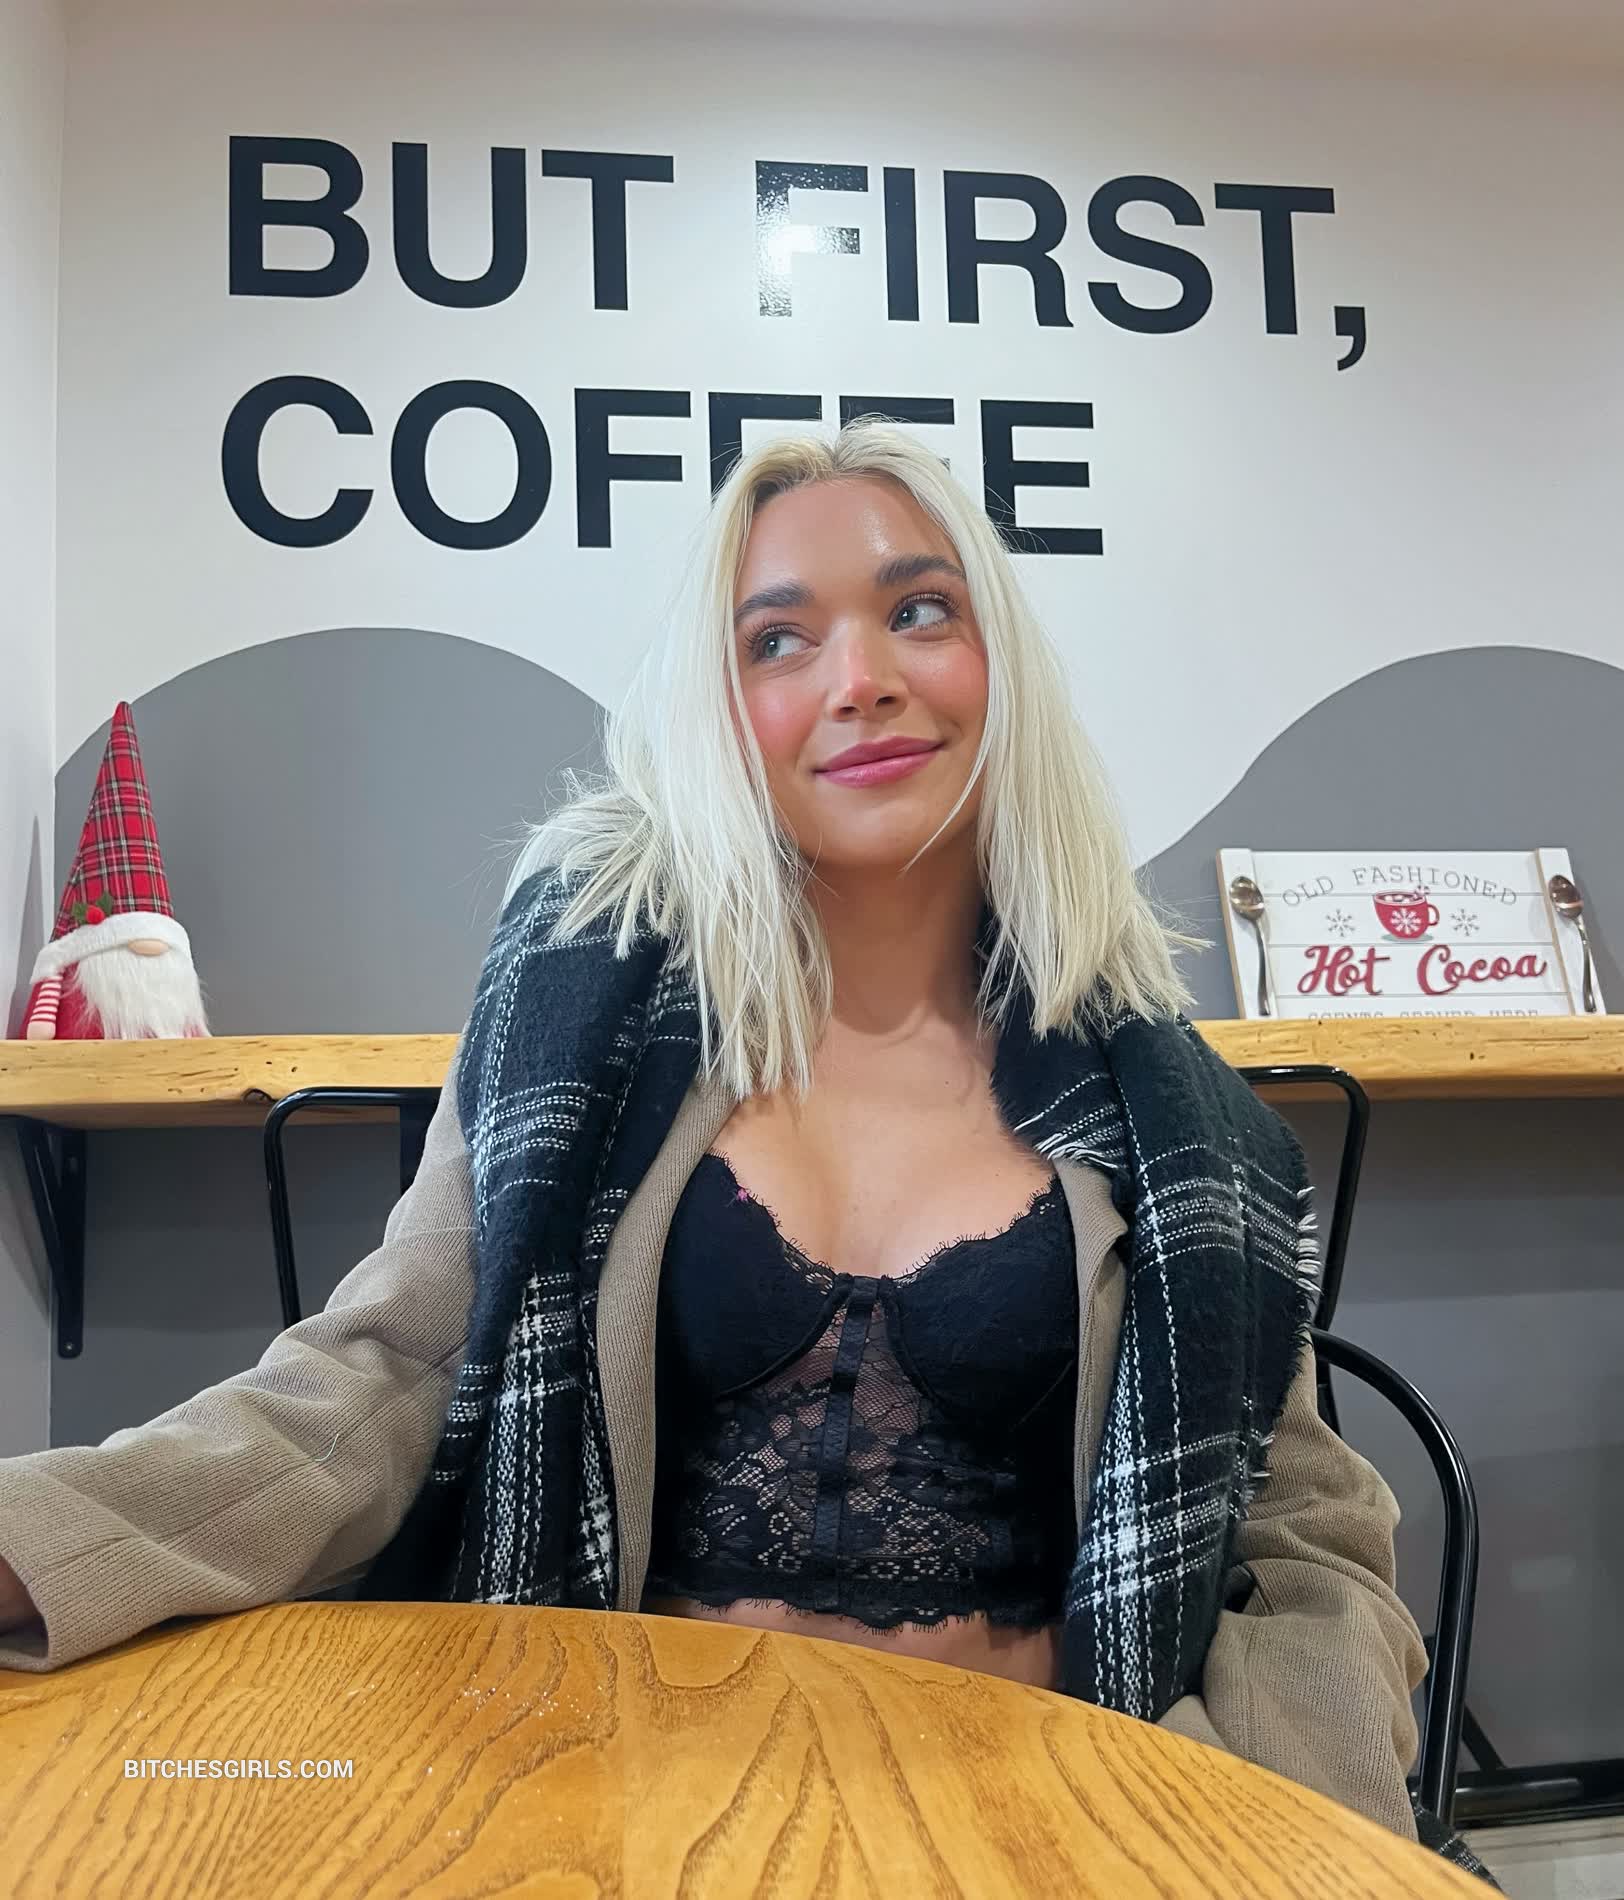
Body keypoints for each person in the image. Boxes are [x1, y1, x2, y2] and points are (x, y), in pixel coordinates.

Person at [0, 419, 1480, 1875]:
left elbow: (1308, 1544)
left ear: (1003, 665)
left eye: (920, 611)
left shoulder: (1178, 1121)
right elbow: (379, 1376)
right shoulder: (578, 1017)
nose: (860, 680)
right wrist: (40, 1538)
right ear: (722, 706)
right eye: (780, 640)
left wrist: (1270, 1834)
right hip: (615, 1806)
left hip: (1039, 1826)